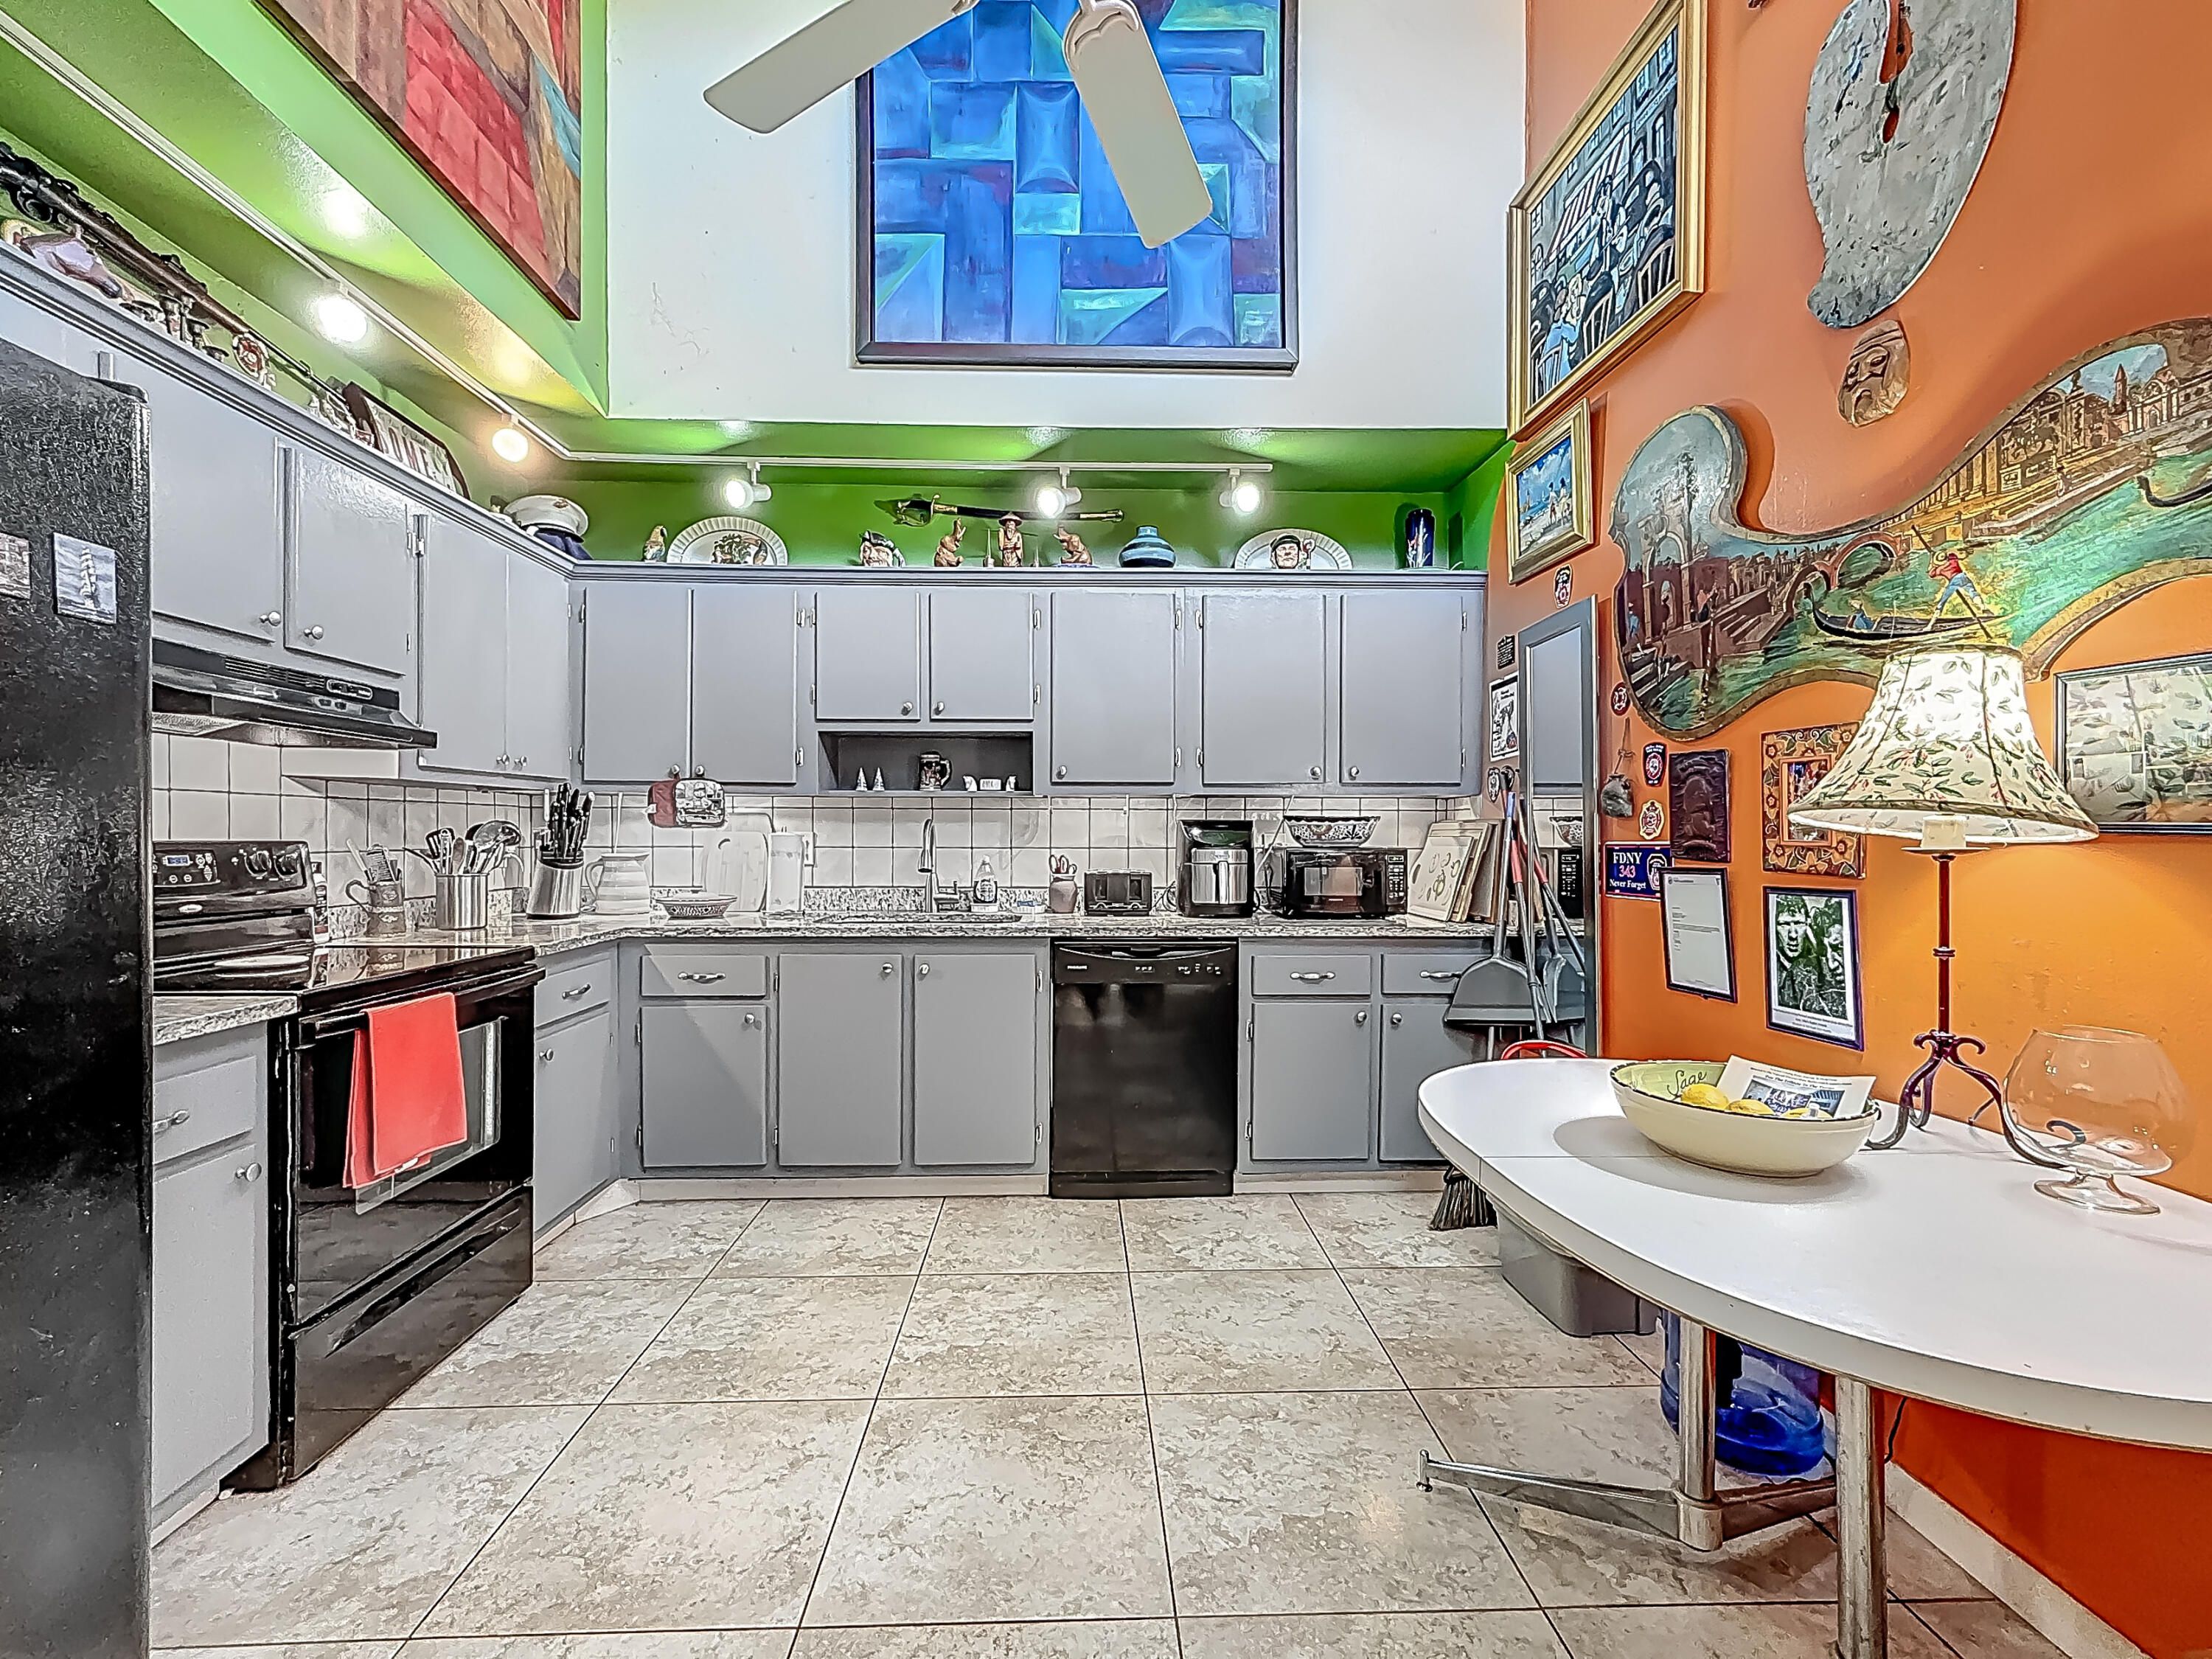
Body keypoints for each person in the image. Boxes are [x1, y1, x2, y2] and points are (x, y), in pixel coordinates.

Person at [1773, 893, 1846, 1020]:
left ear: (1808, 924)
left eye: (1799, 923)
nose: (1793, 935)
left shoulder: (1820, 963)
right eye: (1784, 924)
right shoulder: (1768, 968)